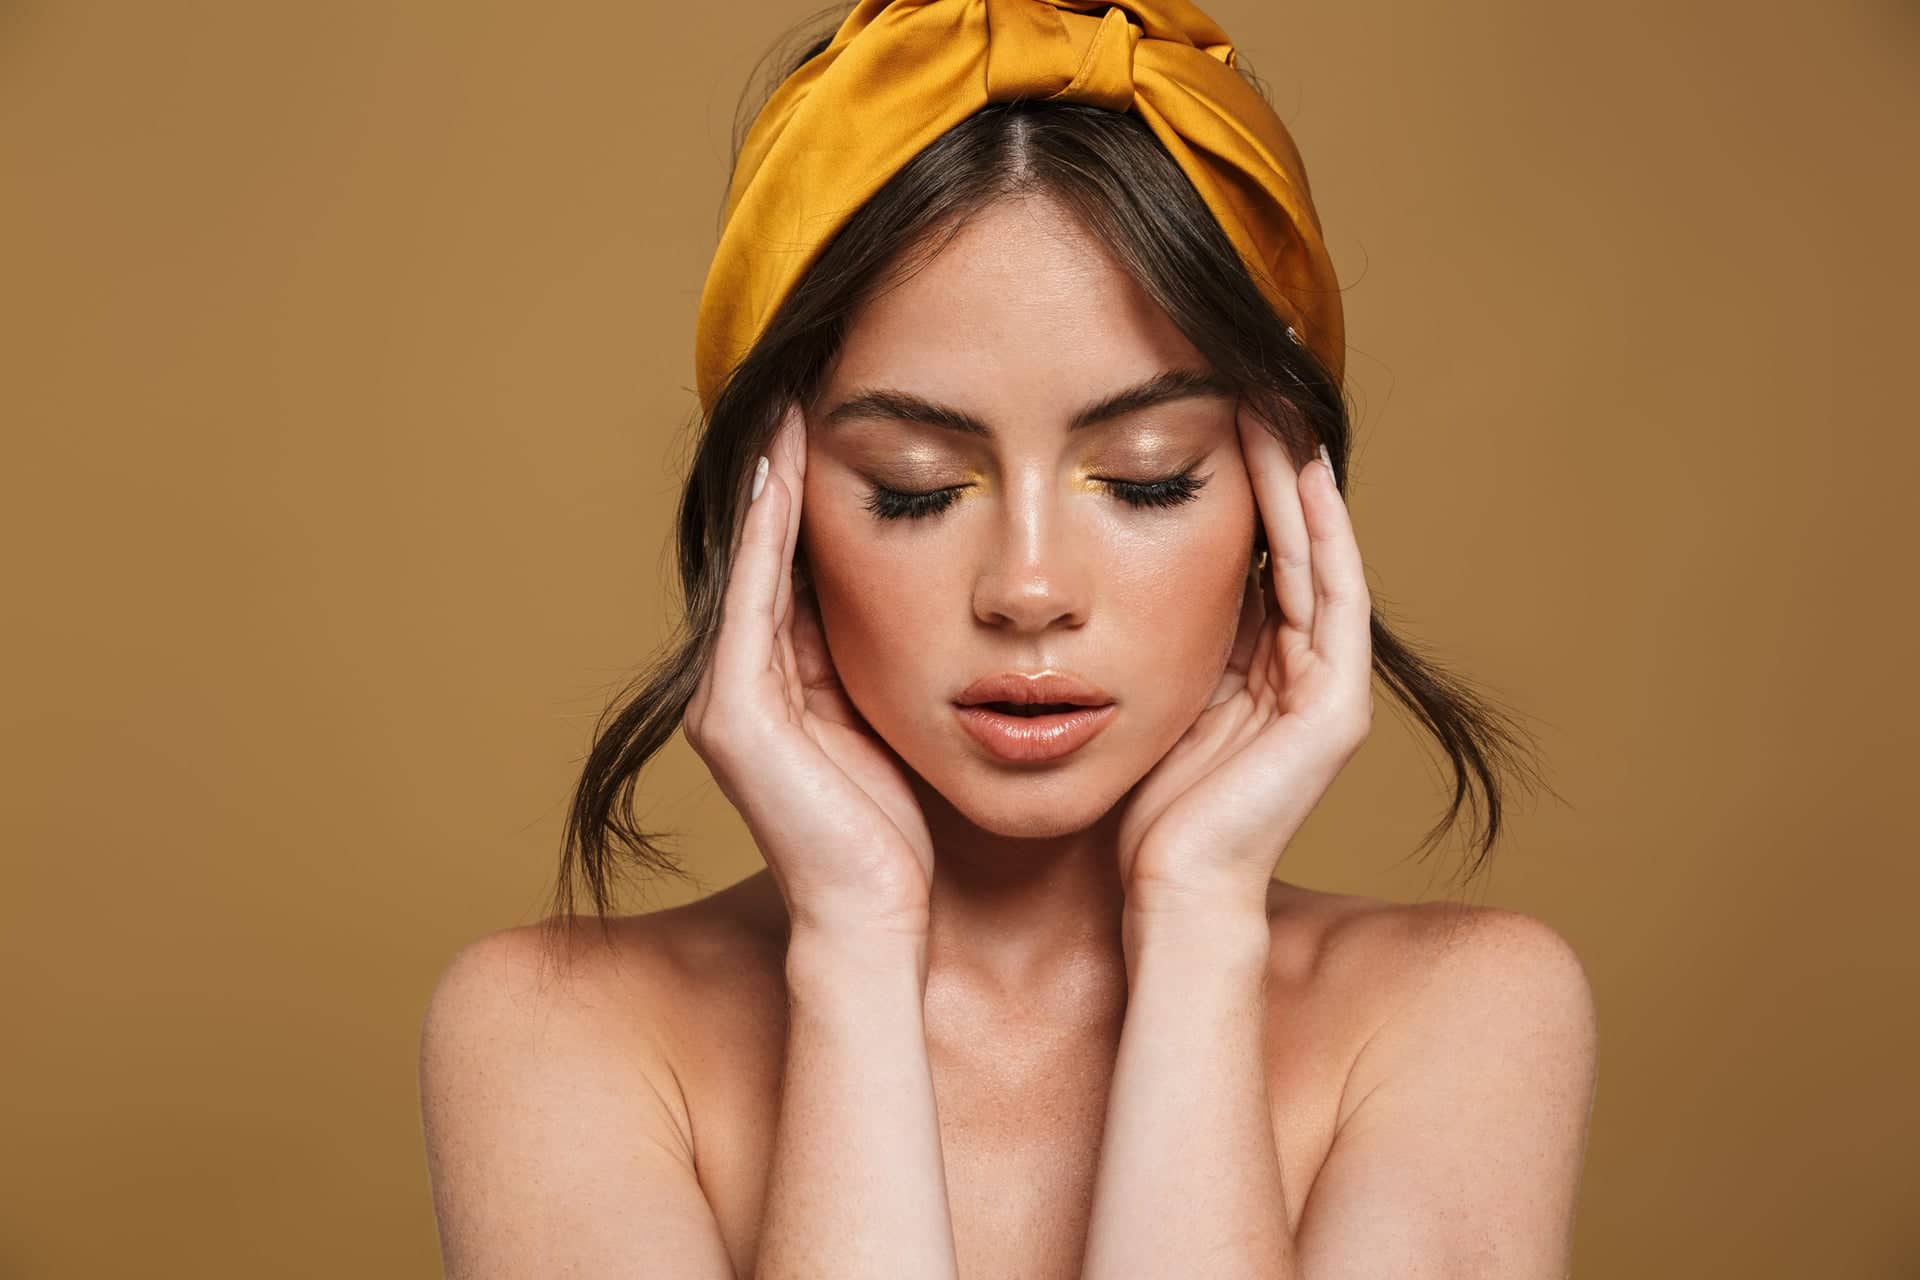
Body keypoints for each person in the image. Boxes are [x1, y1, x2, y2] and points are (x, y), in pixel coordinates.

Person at [418, 2, 1599, 1276]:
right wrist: (855, 948)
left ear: (1279, 503)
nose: (1029, 589)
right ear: (776, 512)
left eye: (1147, 477)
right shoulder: (553, 1035)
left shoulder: (1460, 1017)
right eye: (915, 485)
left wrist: (1200, 926)